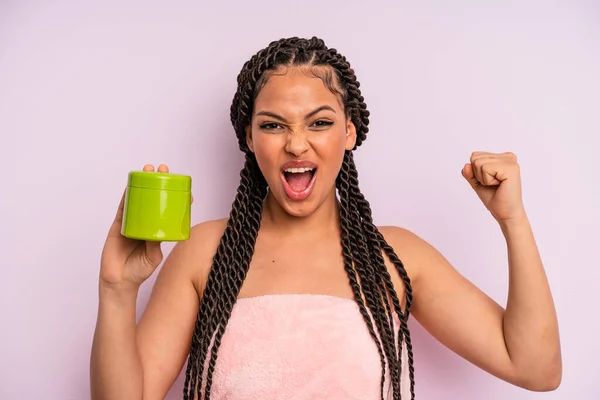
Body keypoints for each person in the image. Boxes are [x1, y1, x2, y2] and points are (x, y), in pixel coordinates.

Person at [89, 37, 561, 400]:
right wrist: (116, 290)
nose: (297, 144)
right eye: (273, 125)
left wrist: (513, 220)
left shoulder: (394, 257)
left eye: (319, 122)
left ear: (350, 132)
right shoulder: (204, 253)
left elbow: (535, 368)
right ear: (249, 138)